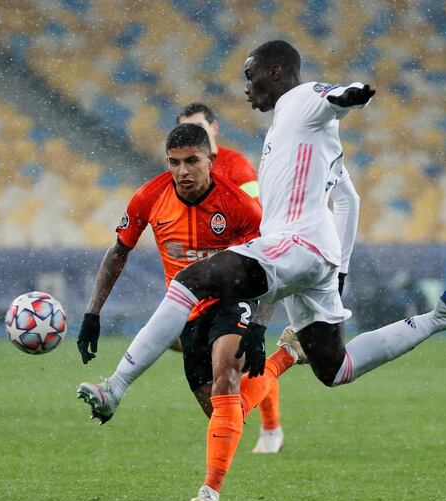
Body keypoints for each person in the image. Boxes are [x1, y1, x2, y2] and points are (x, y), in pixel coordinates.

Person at [77, 40, 446, 501]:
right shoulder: (305, 134)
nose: (246, 88)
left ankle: (116, 386)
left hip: (295, 244)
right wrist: (336, 274)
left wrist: (354, 94)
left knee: (194, 278)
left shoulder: (300, 101)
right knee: (335, 369)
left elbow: (332, 96)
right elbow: (350, 202)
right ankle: (441, 317)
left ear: (276, 72)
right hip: (313, 256)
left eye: (250, 75)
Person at [76, 123, 305, 448]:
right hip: (185, 312)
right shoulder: (150, 197)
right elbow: (118, 253)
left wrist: (258, 324)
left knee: (226, 376)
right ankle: (288, 354)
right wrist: (92, 314)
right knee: (225, 415)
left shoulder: (239, 206)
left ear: (211, 159)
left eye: (192, 161)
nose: (182, 171)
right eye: (174, 162)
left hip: (232, 299)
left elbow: (273, 266)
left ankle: (114, 387)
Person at [177, 102, 284, 453]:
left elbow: (256, 221)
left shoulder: (237, 167)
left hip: (243, 272)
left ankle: (270, 428)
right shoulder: (183, 173)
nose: (194, 138)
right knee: (193, 347)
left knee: (243, 351)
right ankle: (247, 418)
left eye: (200, 130)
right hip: (205, 279)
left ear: (214, 129)